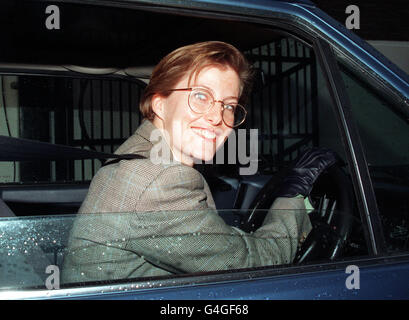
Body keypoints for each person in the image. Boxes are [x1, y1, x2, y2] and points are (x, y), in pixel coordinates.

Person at [62, 41, 334, 283]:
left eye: (228, 105)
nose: (218, 117)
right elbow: (252, 266)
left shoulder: (137, 154)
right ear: (160, 104)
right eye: (201, 96)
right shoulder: (160, 180)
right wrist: (291, 200)